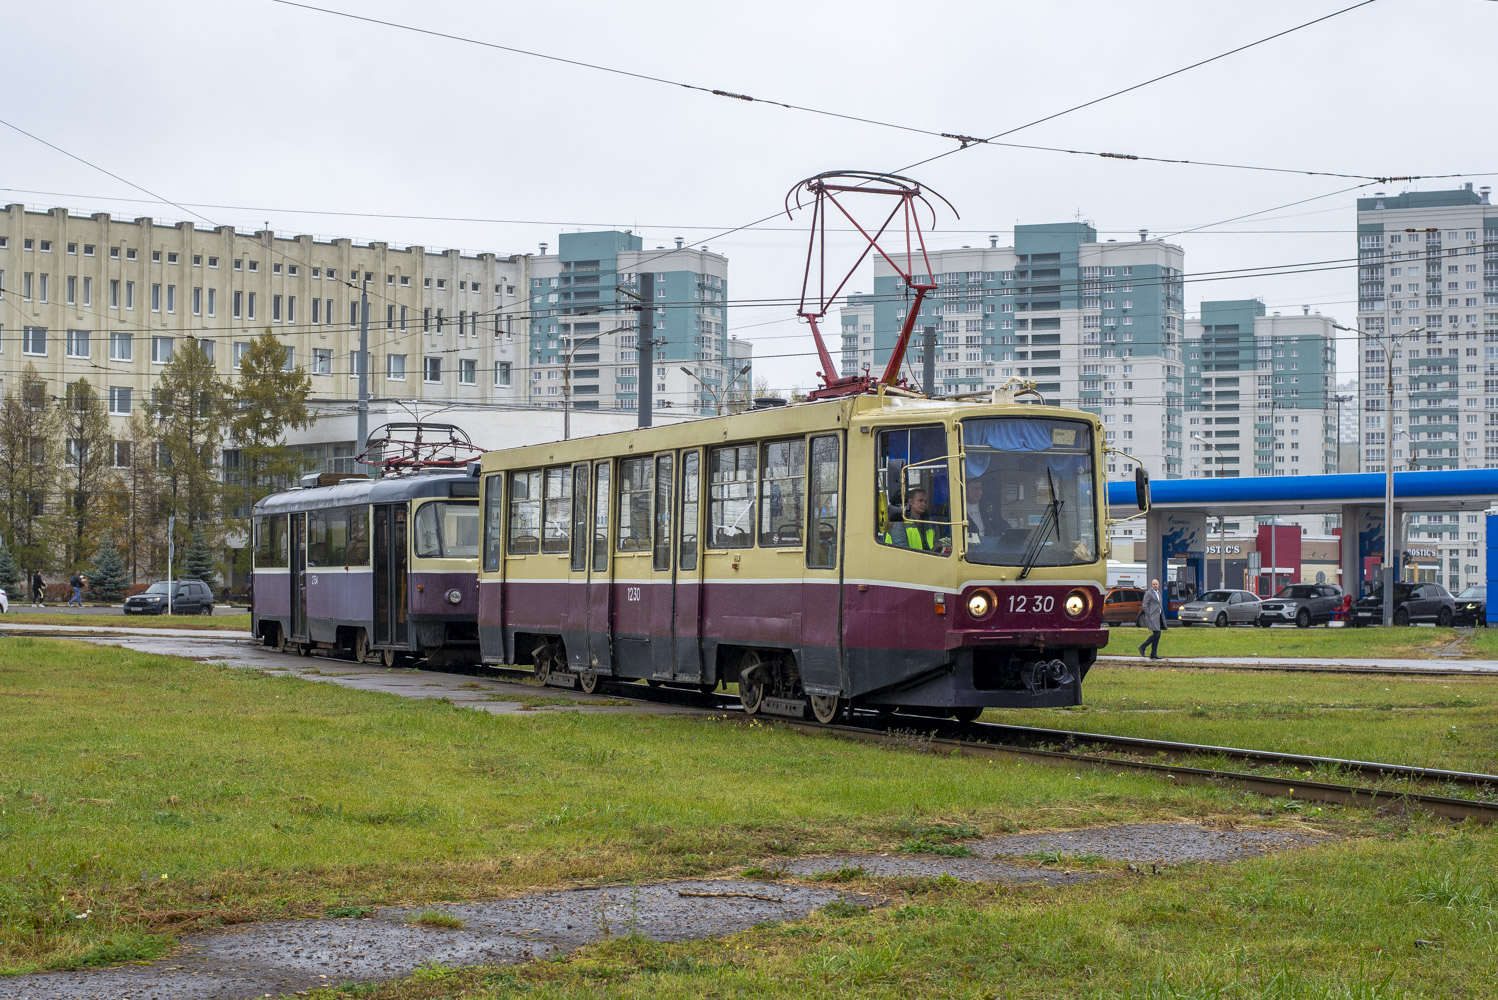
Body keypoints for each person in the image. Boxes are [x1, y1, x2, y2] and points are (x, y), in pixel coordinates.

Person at [1138, 578, 1167, 660]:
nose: (1155, 585)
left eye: (1156, 584)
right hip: (1152, 617)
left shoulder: (1158, 593)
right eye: (1153, 584)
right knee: (1157, 634)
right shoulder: (1148, 593)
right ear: (1151, 585)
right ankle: (1142, 647)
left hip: (1159, 616)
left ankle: (1153, 654)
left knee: (1157, 635)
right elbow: (1145, 605)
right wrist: (1149, 614)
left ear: (1158, 585)